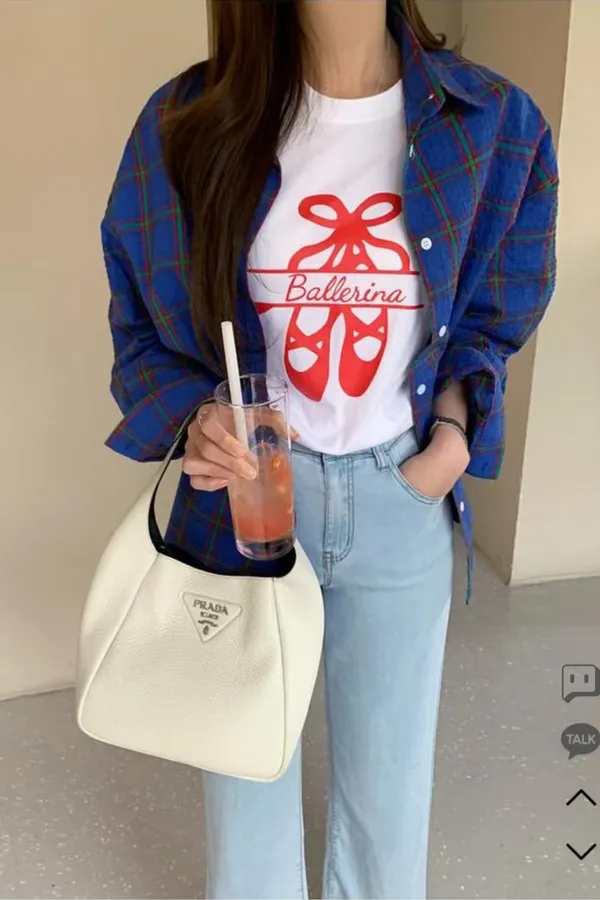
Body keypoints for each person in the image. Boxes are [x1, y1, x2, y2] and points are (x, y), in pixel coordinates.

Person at [101, 1, 558, 897]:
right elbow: (140, 326)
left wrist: (453, 439)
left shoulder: (494, 124)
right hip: (249, 504)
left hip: (402, 493)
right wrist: (200, 418)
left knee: (391, 793)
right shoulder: (186, 123)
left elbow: (491, 317)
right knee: (246, 773)